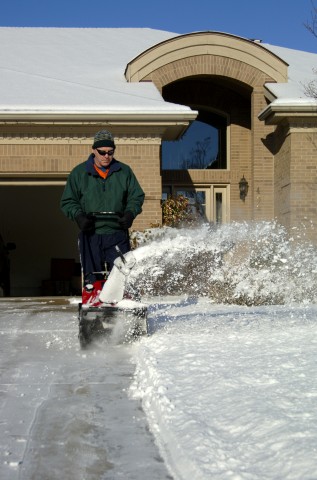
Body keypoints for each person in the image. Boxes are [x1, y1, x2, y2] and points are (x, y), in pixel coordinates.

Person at [60, 130, 145, 283]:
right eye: (102, 152)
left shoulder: (124, 171)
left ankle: (121, 303)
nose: (106, 156)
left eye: (110, 152)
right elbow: (68, 201)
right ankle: (93, 300)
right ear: (94, 150)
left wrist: (130, 213)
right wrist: (79, 216)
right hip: (91, 233)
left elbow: (136, 196)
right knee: (92, 277)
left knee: (121, 276)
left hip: (117, 234)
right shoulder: (79, 173)